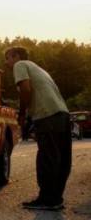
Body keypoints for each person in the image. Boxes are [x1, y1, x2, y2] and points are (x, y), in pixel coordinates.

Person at [5, 46, 71, 211]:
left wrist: (22, 114)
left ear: (16, 56)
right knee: (60, 158)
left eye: (8, 58)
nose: (7, 63)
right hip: (62, 113)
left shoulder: (20, 65)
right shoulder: (39, 69)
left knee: (46, 158)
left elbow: (26, 90)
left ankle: (47, 199)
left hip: (47, 116)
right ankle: (56, 198)